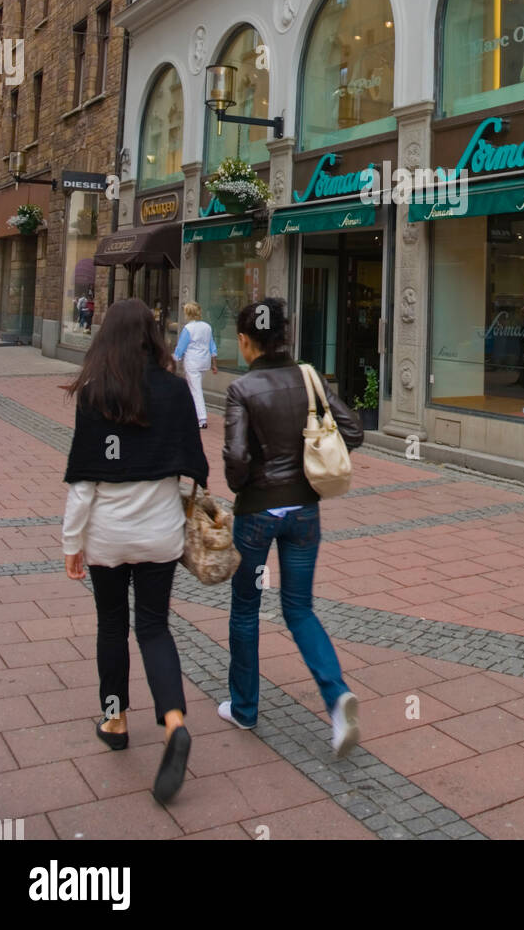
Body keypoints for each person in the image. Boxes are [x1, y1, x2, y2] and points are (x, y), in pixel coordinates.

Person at [62, 298, 209, 804]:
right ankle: (173, 722)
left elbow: (84, 482)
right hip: (160, 533)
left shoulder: (95, 394)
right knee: (152, 626)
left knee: (110, 625)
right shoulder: (173, 390)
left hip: (106, 535)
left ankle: (116, 718)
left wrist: (71, 543)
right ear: (152, 336)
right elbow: (193, 464)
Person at [221, 299, 364, 755]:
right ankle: (336, 696)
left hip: (257, 512)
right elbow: (353, 431)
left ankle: (244, 708)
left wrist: (245, 484)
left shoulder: (242, 388)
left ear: (246, 341)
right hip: (304, 510)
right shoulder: (310, 378)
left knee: (245, 610)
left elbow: (237, 460)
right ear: (285, 335)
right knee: (299, 609)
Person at [173, 301, 218, 429]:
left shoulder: (188, 328)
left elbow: (181, 347)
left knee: (196, 390)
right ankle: (190, 414)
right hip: (205, 362)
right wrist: (214, 364)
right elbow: (212, 346)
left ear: (188, 313)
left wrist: (174, 360)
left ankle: (201, 418)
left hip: (192, 362)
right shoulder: (207, 327)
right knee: (194, 388)